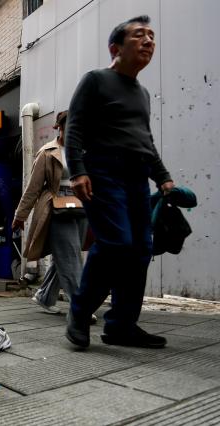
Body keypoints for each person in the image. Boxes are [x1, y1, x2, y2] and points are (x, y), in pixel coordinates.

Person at [64, 15, 174, 349]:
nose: (148, 41)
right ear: (116, 47)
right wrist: (78, 170)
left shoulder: (143, 93)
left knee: (141, 249)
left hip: (138, 176)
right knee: (116, 243)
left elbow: (146, 141)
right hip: (103, 172)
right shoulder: (95, 80)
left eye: (152, 36)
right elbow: (75, 128)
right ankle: (80, 313)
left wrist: (164, 178)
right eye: (139, 35)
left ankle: (122, 325)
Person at [12, 111, 91, 318]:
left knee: (66, 256)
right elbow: (33, 188)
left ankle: (45, 296)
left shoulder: (84, 151)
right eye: (69, 127)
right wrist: (20, 215)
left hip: (82, 208)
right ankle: (80, 307)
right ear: (59, 128)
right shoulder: (47, 152)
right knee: (71, 257)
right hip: (56, 208)